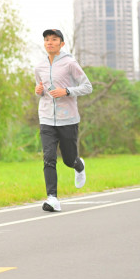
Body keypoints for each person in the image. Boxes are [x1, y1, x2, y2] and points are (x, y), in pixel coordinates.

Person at [34, 29, 92, 212]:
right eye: (47, 39)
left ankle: (78, 165)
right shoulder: (39, 66)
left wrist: (66, 91)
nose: (50, 42)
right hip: (46, 118)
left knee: (68, 159)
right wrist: (38, 91)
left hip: (68, 119)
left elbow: (87, 87)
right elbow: (41, 89)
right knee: (49, 157)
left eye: (54, 39)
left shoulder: (70, 63)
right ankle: (52, 199)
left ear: (62, 44)